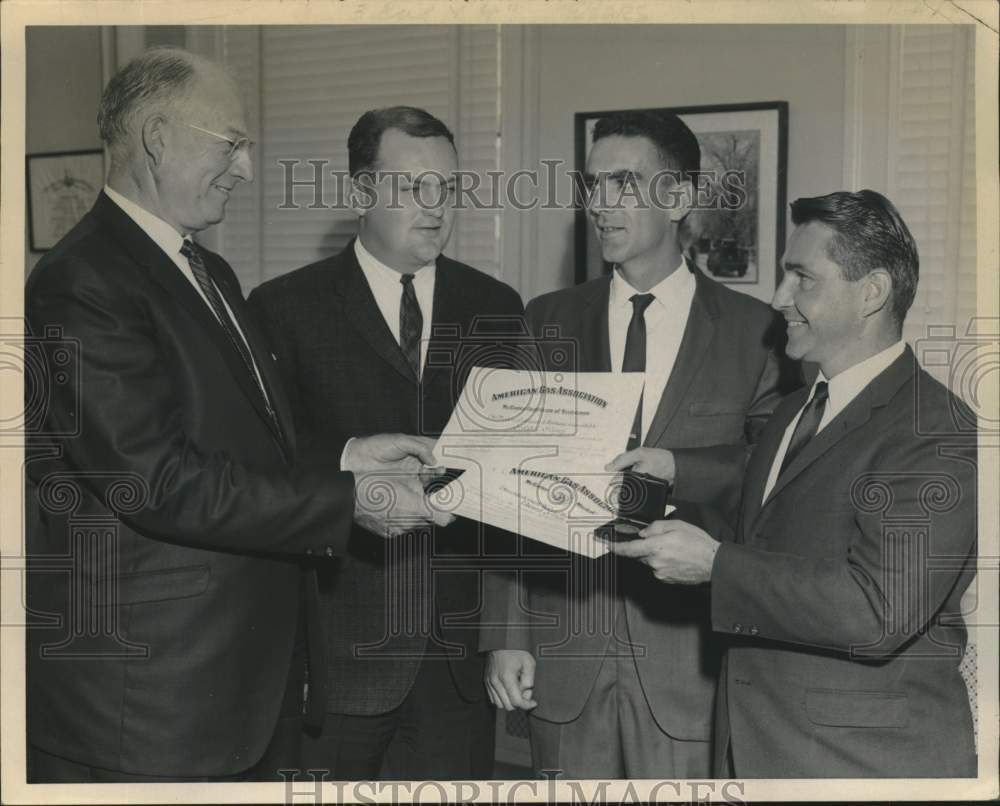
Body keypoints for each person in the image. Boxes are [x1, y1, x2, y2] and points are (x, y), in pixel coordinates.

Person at [24, 48, 447, 783]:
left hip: (243, 687)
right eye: (232, 144)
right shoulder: (80, 280)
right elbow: (155, 479)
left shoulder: (207, 269)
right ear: (158, 136)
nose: (246, 169)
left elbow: (246, 442)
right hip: (154, 703)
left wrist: (349, 455)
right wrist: (351, 501)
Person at [610, 190, 978, 777]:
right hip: (760, 750)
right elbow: (770, 512)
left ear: (873, 292)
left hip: (862, 767)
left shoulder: (935, 430)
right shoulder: (795, 410)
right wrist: (663, 481)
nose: (778, 299)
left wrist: (716, 566)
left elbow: (876, 611)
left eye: (801, 278)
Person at [481, 110, 798, 779]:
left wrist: (681, 470)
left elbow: (777, 476)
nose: (600, 204)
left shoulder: (756, 331)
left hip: (694, 665)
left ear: (679, 197)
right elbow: (507, 482)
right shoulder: (546, 320)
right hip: (564, 655)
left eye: (624, 184)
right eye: (593, 185)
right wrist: (506, 639)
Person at [247, 106, 525, 780]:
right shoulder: (281, 308)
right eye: (412, 188)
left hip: (458, 658)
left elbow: (515, 481)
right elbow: (260, 474)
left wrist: (507, 637)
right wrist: (347, 459)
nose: (435, 209)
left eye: (448, 189)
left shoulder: (498, 306)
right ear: (359, 193)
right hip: (335, 657)